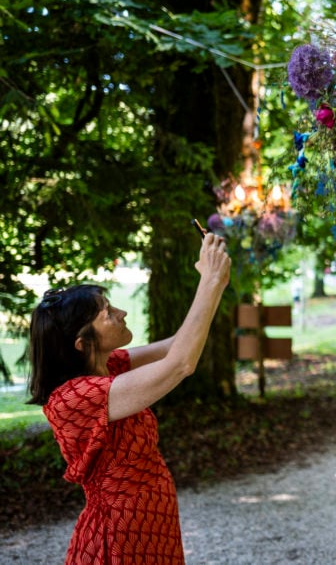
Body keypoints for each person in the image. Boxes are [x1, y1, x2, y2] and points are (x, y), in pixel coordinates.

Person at [27, 234, 231, 564]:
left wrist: (215, 282)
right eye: (107, 313)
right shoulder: (73, 398)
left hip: (153, 521)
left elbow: (180, 343)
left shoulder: (110, 366)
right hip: (120, 535)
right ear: (83, 343)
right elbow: (180, 363)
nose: (121, 312)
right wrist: (208, 282)